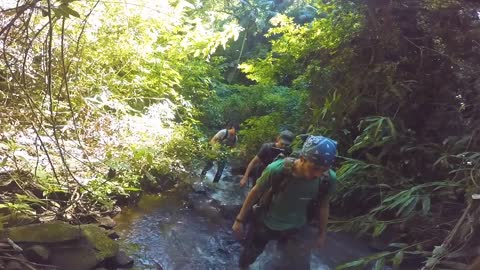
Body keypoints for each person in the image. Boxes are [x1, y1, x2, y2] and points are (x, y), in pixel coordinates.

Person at [232, 135, 337, 270]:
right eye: (314, 167)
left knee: (296, 266)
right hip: (265, 223)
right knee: (248, 258)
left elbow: (323, 205)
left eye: (324, 169)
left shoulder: (327, 179)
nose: (318, 174)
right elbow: (255, 192)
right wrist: (239, 220)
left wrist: (322, 234)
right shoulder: (277, 170)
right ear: (303, 158)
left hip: (297, 228)